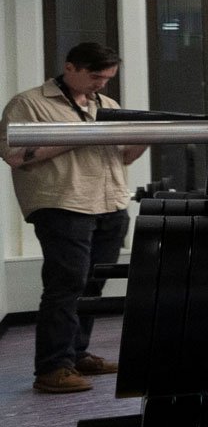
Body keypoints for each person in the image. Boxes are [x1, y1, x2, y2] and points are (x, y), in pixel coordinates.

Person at [4, 42, 143, 394]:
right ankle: (52, 367)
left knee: (92, 286)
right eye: (96, 76)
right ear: (70, 68)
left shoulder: (107, 106)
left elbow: (123, 158)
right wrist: (82, 136)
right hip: (63, 205)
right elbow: (15, 155)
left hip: (110, 204)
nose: (102, 85)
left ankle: (77, 354)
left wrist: (145, 135)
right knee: (66, 286)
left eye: (108, 78)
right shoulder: (29, 103)